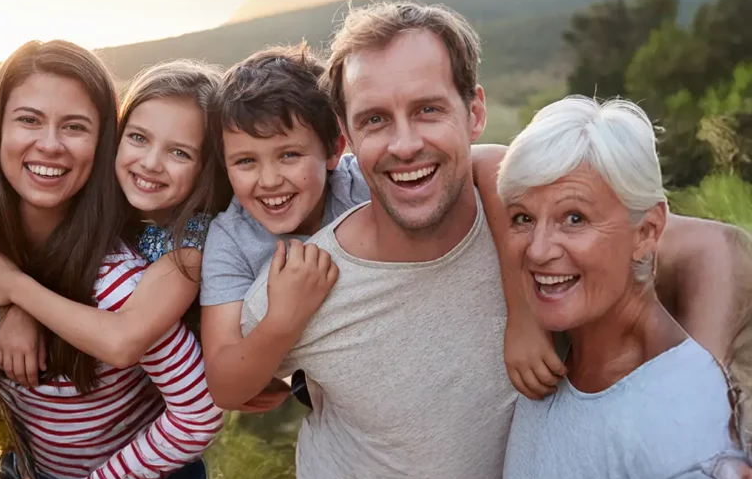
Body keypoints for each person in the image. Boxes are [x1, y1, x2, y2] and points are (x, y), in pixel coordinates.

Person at [240, 0, 747, 479]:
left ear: (474, 112)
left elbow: (715, 247)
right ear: (346, 135)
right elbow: (241, 385)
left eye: (428, 109)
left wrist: (704, 418)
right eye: (374, 120)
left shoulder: (530, 221)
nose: (404, 144)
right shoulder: (303, 281)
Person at [200, 43, 558, 413]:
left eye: (289, 155)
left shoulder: (359, 180)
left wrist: (524, 315)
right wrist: (283, 320)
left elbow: (493, 163)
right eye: (245, 161)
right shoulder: (230, 240)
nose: (269, 180)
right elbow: (225, 387)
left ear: (335, 149)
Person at [0, 40, 223, 479]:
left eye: (75, 127)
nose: (49, 144)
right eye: (28, 119)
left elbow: (198, 414)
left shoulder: (124, 280)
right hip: (27, 475)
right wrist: (11, 307)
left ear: (102, 140)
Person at [499, 97, 750, 479]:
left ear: (648, 231)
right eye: (522, 218)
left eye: (574, 218)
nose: (538, 249)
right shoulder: (555, 351)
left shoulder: (685, 436)